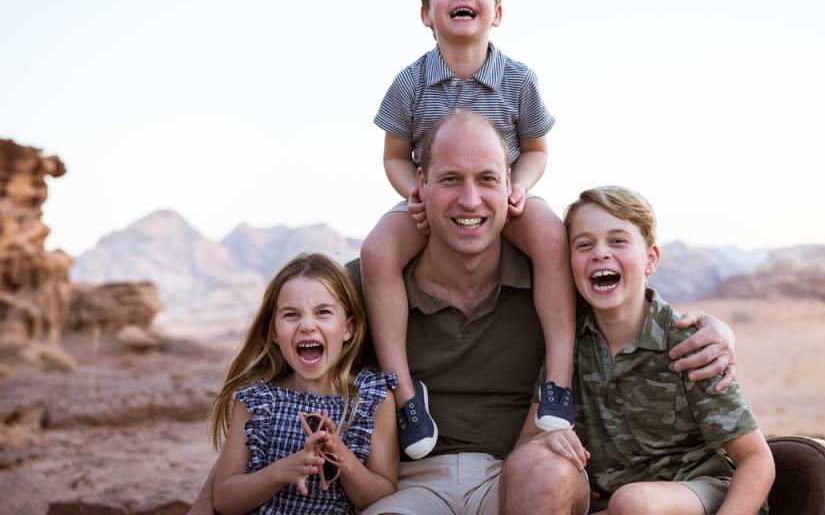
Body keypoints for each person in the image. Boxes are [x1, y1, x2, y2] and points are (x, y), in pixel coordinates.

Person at [189, 111, 737, 515]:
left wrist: (718, 329)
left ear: (511, 191)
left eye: (487, 180)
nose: (470, 200)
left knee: (546, 470)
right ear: (420, 187)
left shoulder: (552, 282)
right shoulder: (368, 289)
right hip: (409, 484)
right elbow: (275, 387)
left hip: (518, 475)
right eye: (451, 179)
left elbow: (628, 302)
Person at [360, 0, 577, 459]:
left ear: (496, 12)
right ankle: (405, 395)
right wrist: (411, 190)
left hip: (502, 197)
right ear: (425, 13)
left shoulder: (518, 79)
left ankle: (559, 381)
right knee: (376, 251)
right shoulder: (411, 82)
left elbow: (536, 149)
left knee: (550, 234)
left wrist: (519, 186)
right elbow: (393, 155)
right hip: (434, 200)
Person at [503, 187, 775, 515]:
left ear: (650, 259)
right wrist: (544, 441)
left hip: (699, 494)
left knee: (634, 502)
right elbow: (526, 448)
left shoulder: (689, 344)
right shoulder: (568, 346)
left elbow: (756, 459)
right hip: (612, 506)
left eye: (618, 241)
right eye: (584, 244)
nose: (600, 253)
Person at [207, 253, 399, 514]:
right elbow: (225, 500)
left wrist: (338, 454)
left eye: (323, 312)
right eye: (291, 314)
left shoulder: (371, 400)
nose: (307, 325)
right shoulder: (257, 400)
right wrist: (281, 471)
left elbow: (379, 496)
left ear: (348, 328)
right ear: (274, 332)